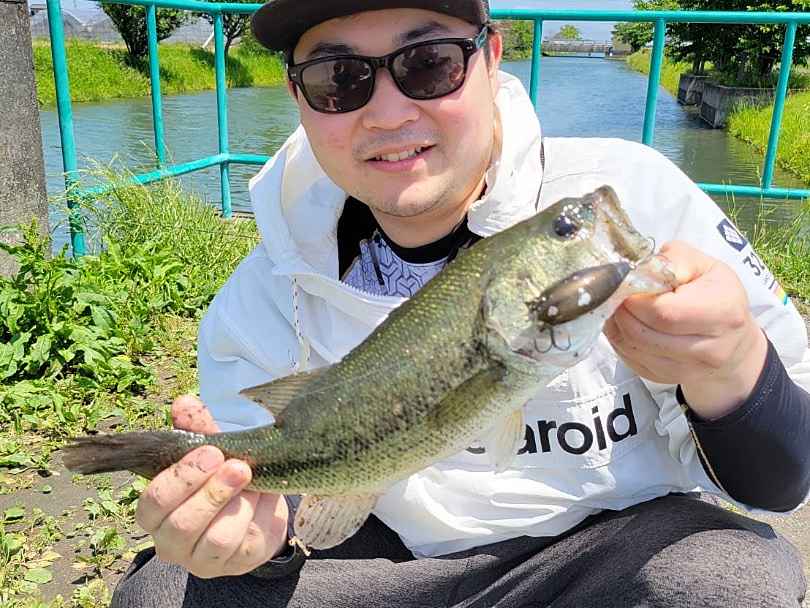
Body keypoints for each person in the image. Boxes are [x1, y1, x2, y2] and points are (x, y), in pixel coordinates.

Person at [111, 0, 810, 606]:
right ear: (298, 96)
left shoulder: (642, 195)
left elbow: (784, 482)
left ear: (491, 58)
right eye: (338, 78)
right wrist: (253, 536)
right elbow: (278, 508)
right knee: (164, 592)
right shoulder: (260, 291)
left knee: (726, 580)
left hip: (601, 552)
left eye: (429, 64)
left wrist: (733, 372)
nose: (388, 113)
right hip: (378, 563)